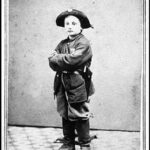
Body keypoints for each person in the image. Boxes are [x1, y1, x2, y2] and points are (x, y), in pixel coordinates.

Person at [48, 9, 95, 150]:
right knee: (65, 112)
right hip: (62, 82)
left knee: (79, 112)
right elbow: (52, 63)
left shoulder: (84, 43)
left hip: (78, 83)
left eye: (74, 23)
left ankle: (84, 143)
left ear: (81, 27)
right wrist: (57, 59)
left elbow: (73, 61)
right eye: (67, 23)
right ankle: (68, 142)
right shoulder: (62, 43)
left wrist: (57, 58)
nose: (69, 26)